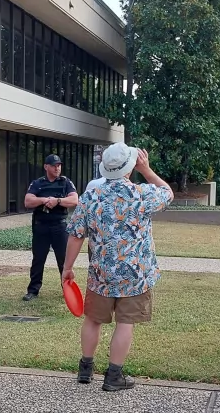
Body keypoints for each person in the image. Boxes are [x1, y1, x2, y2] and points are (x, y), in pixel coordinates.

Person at [63, 142, 173, 391]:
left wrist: (67, 268)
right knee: (125, 322)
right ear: (131, 165)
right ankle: (114, 377)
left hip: (100, 274)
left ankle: (85, 369)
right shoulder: (142, 194)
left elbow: (76, 236)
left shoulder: (91, 196)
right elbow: (168, 192)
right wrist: (146, 170)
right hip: (134, 275)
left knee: (92, 319)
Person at [22, 154, 79, 301]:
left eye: (59, 165)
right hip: (41, 226)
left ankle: (67, 289)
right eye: (54, 165)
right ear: (46, 167)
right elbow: (28, 201)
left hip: (59, 226)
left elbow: (74, 200)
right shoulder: (38, 183)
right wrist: (44, 200)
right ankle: (33, 290)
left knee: (64, 259)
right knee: (38, 258)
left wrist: (57, 201)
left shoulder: (65, 182)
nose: (57, 168)